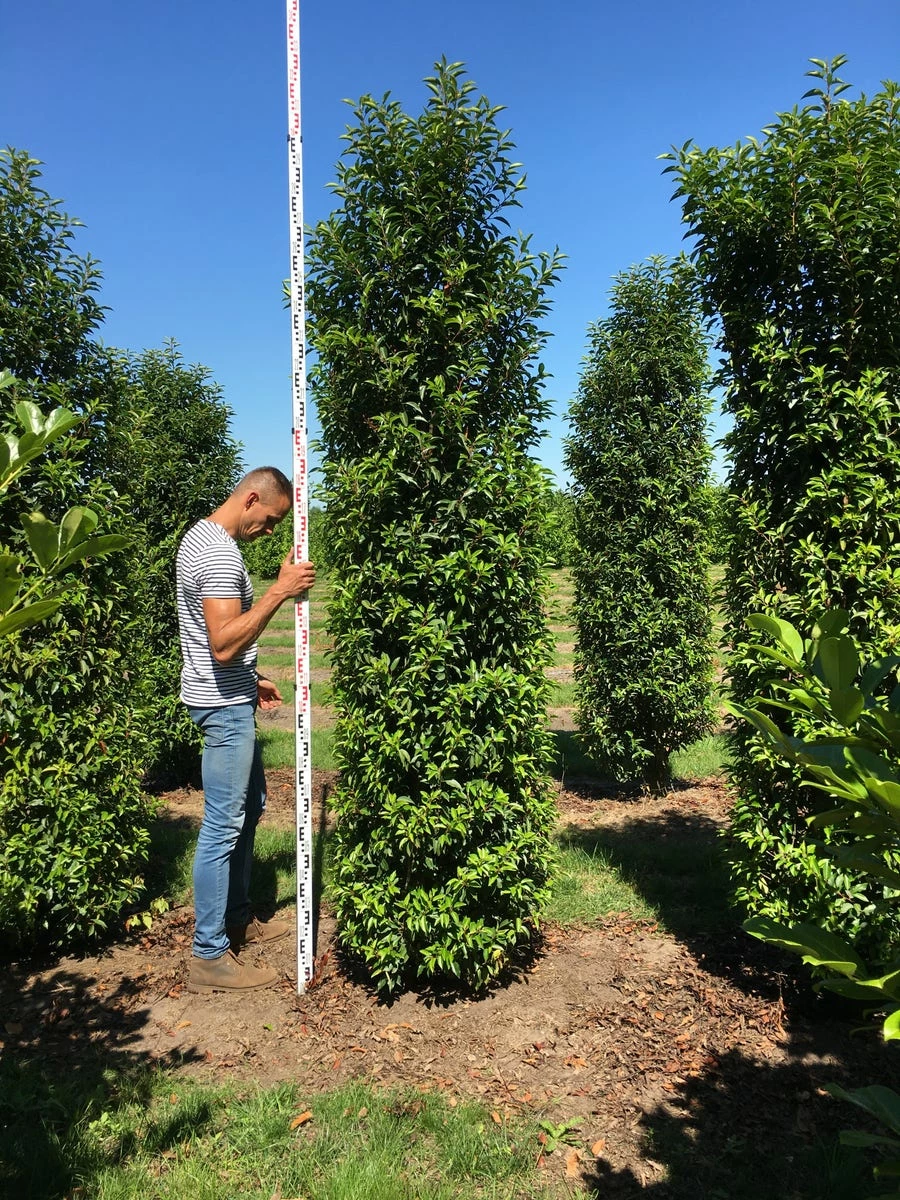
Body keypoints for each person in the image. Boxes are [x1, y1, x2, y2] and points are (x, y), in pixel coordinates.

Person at [176, 466, 315, 992]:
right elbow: (223, 643)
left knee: (250, 807)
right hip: (223, 710)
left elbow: (209, 638)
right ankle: (209, 955)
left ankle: (237, 919)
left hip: (230, 696)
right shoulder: (217, 552)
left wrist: (251, 678)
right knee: (223, 824)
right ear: (252, 498)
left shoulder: (204, 537)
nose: (271, 530)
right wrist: (279, 591)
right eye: (272, 519)